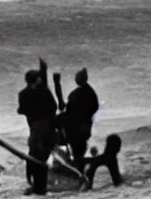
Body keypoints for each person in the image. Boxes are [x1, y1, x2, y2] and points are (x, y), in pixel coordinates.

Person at [18, 65, 58, 195]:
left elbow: (22, 109)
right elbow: (53, 107)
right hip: (44, 127)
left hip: (34, 127)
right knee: (41, 156)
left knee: (34, 154)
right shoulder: (44, 91)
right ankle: (40, 187)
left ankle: (35, 184)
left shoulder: (23, 94)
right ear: (36, 80)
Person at [65, 67, 100, 172]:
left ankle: (79, 170)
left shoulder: (82, 92)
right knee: (79, 149)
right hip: (81, 125)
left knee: (78, 150)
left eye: (77, 77)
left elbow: (92, 107)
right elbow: (95, 107)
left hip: (78, 126)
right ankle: (79, 168)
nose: (75, 78)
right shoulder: (88, 91)